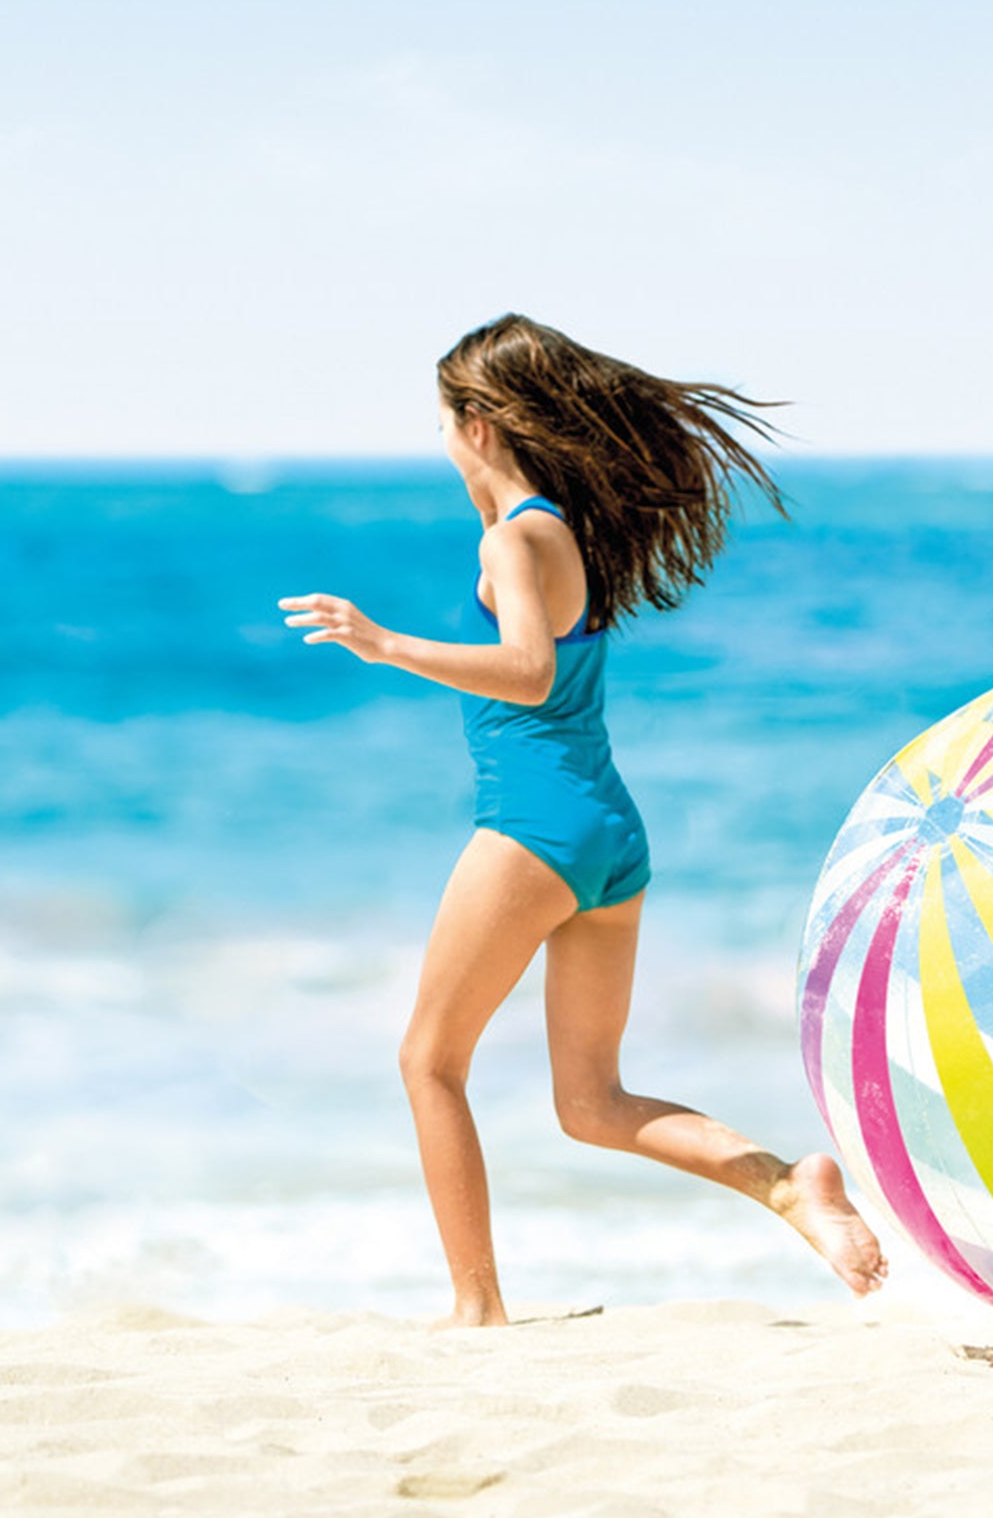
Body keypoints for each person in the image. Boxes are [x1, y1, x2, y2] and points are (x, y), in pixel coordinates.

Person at [280, 314, 885, 1326]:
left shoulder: (515, 537)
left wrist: (384, 644)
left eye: (443, 420)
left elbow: (527, 671)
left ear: (477, 423)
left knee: (428, 1062)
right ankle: (788, 1184)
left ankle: (477, 1308)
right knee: (591, 1102)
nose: (441, 440)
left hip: (536, 828)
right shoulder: (563, 531)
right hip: (609, 837)